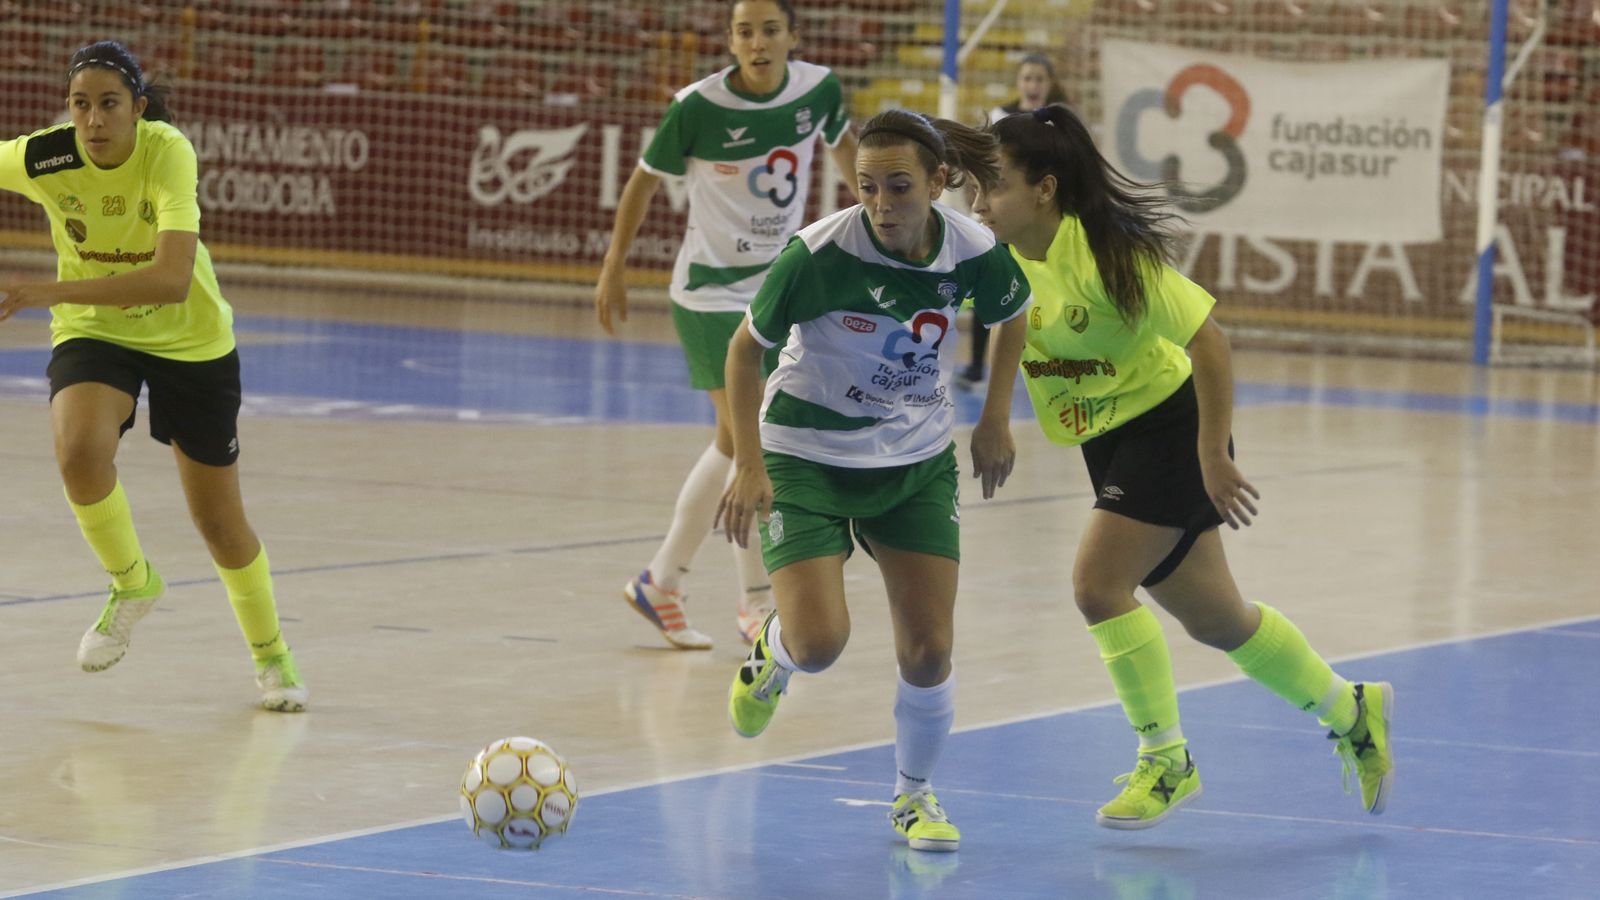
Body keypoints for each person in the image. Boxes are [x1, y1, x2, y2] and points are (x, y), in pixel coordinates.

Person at [970, 105, 1392, 830]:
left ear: (1044, 188)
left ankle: (1166, 759)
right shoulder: (1003, 251)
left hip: (1169, 426)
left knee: (1098, 588)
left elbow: (1211, 341)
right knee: (1219, 620)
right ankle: (1352, 710)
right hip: (1107, 433)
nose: (980, 205)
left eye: (995, 187)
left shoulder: (1108, 253)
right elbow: (1012, 318)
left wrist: (1212, 455)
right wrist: (994, 415)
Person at [717, 109, 1032, 852]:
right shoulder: (818, 255)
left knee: (927, 651)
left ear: (939, 181)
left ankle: (914, 798)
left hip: (915, 460)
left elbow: (1013, 314)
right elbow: (742, 355)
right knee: (820, 643)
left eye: (899, 187)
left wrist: (995, 419)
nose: (883, 205)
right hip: (806, 453)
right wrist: (749, 463)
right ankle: (776, 652)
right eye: (867, 188)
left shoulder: (972, 247)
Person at [0, 41, 306, 712]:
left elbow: (171, 281)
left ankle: (271, 655)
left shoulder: (167, 151)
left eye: (109, 104)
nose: (93, 120)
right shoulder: (49, 155)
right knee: (79, 452)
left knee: (219, 522)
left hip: (189, 341)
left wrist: (47, 292)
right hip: (97, 331)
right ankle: (132, 582)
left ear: (137, 108)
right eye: (81, 105)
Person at [595, 0, 858, 650]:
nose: (759, 41)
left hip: (776, 290)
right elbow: (642, 182)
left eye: (771, 29)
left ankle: (661, 583)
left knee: (733, 441)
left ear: (793, 36)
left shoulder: (818, 89)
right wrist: (613, 264)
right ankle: (754, 602)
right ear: (731, 40)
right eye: (746, 31)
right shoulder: (698, 105)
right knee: (754, 443)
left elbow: (845, 150)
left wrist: (876, 214)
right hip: (711, 295)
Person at [957, 54, 1070, 391]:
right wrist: (982, 204)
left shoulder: (1060, 120)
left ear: (1049, 84)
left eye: (1039, 79)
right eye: (1027, 78)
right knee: (989, 288)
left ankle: (1062, 362)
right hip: (1005, 220)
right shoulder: (998, 117)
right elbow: (976, 168)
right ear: (1018, 83)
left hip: (1045, 221)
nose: (1033, 85)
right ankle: (978, 365)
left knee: (1056, 291)